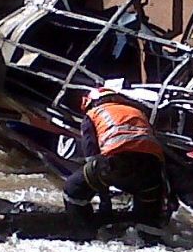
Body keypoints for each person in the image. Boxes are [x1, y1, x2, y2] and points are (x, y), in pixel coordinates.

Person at [63, 88, 173, 235]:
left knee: (72, 189)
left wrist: (105, 201)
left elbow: (92, 158)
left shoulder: (93, 114)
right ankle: (148, 235)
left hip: (117, 164)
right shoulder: (137, 112)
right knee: (149, 207)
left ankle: (84, 232)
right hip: (152, 170)